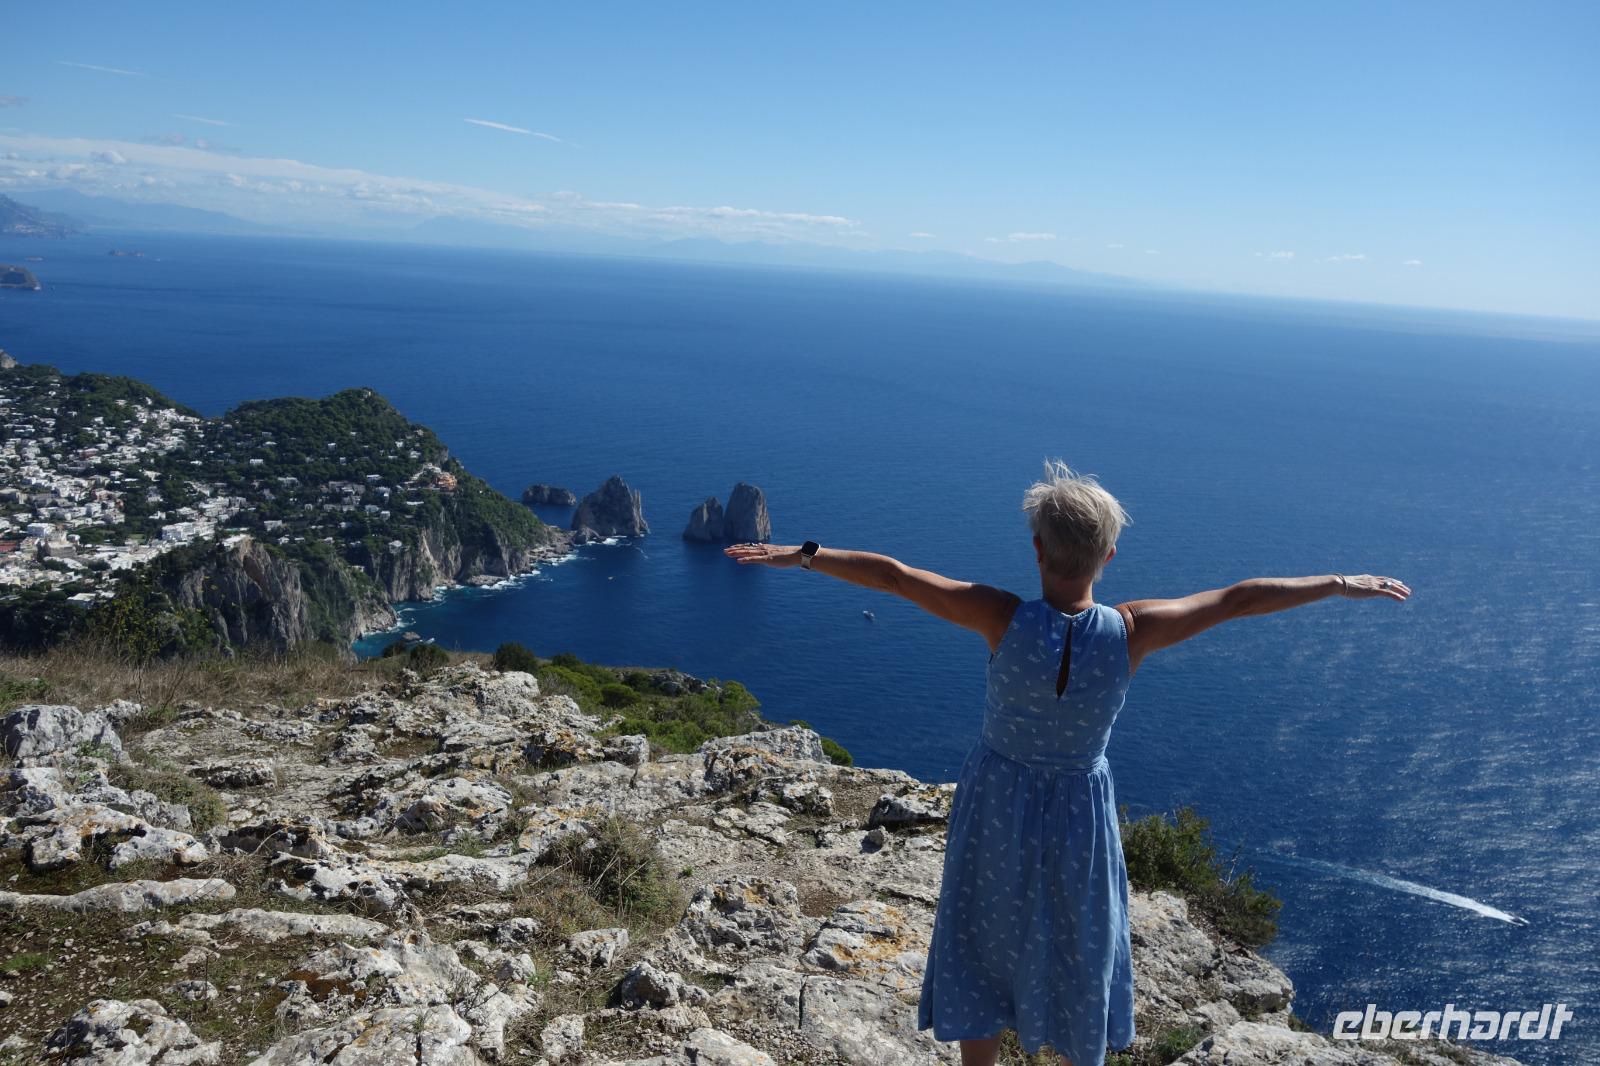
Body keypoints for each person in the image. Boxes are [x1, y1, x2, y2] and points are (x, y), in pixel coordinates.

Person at [724, 459, 1410, 1066]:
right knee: (1082, 936)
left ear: (1037, 550)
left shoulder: (999, 617)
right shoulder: (1133, 632)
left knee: (981, 928)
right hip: (1081, 805)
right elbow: (1241, 598)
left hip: (998, 798)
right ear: (1108, 556)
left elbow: (896, 577)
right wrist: (1338, 582)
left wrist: (804, 555)